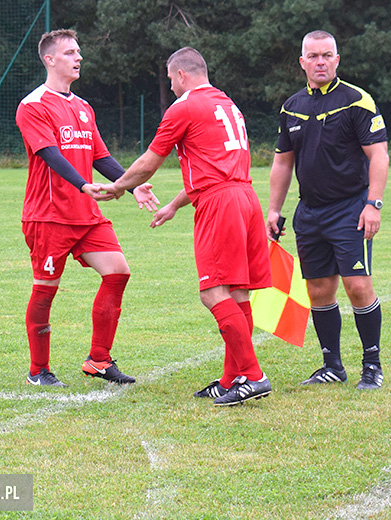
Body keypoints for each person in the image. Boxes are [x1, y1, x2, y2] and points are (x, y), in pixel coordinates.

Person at [92, 47, 273, 407]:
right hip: (245, 197)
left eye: (171, 79)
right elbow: (215, 167)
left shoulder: (185, 106)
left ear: (181, 75)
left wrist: (118, 187)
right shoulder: (227, 104)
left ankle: (253, 376)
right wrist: (175, 204)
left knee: (212, 292)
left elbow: (148, 162)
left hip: (219, 203)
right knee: (238, 293)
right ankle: (231, 378)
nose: (171, 87)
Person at [15, 29, 146, 386]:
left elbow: (100, 156)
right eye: (71, 52)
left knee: (118, 272)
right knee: (45, 290)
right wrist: (84, 185)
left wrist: (131, 186)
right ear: (50, 59)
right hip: (48, 215)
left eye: (79, 52)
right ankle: (38, 369)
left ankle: (99, 360)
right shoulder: (33, 105)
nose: (79, 58)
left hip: (86, 215)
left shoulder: (83, 107)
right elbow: (49, 154)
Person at [266, 30, 389, 390]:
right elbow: (282, 164)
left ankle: (372, 365)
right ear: (302, 62)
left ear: (337, 60)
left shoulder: (357, 101)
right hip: (310, 212)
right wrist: (274, 210)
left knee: (357, 286)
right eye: (313, 56)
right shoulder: (291, 106)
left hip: (351, 208)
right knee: (318, 289)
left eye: (327, 55)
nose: (321, 62)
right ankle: (332, 365)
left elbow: (378, 155)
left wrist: (373, 204)